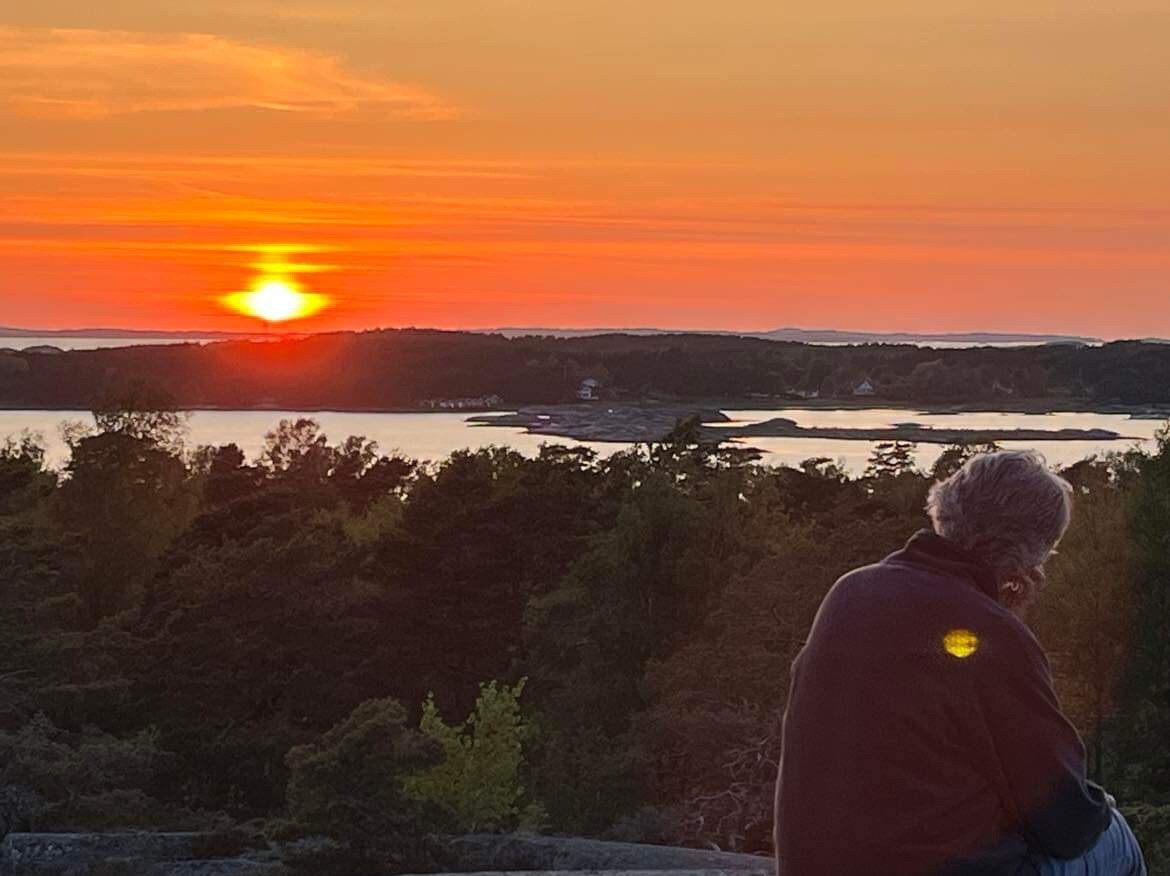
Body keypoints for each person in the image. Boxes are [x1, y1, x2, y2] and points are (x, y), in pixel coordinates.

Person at [773, 450, 1146, 875]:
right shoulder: (995, 634)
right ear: (1029, 559)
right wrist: (1097, 807)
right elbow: (1066, 822)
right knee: (1114, 837)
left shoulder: (851, 592)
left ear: (946, 510)